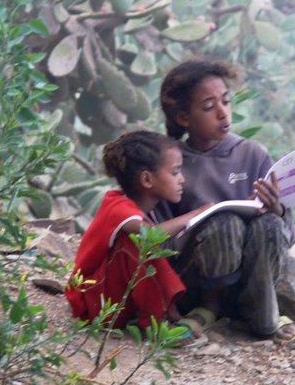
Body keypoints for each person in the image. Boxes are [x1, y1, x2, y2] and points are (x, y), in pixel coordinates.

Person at [152, 58, 295, 344]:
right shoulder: (172, 163)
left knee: (270, 224)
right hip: (196, 281)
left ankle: (262, 312)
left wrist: (277, 209)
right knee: (225, 223)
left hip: (253, 278)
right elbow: (159, 241)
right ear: (183, 118)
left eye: (226, 101)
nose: (223, 113)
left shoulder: (252, 154)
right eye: (209, 107)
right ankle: (210, 308)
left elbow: (289, 235)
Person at [65, 130, 212, 330]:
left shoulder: (145, 210)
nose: (182, 180)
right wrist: (197, 213)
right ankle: (156, 324)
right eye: (175, 172)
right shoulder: (117, 207)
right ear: (147, 179)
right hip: (91, 304)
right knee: (138, 245)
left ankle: (166, 310)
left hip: (109, 299)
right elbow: (151, 236)